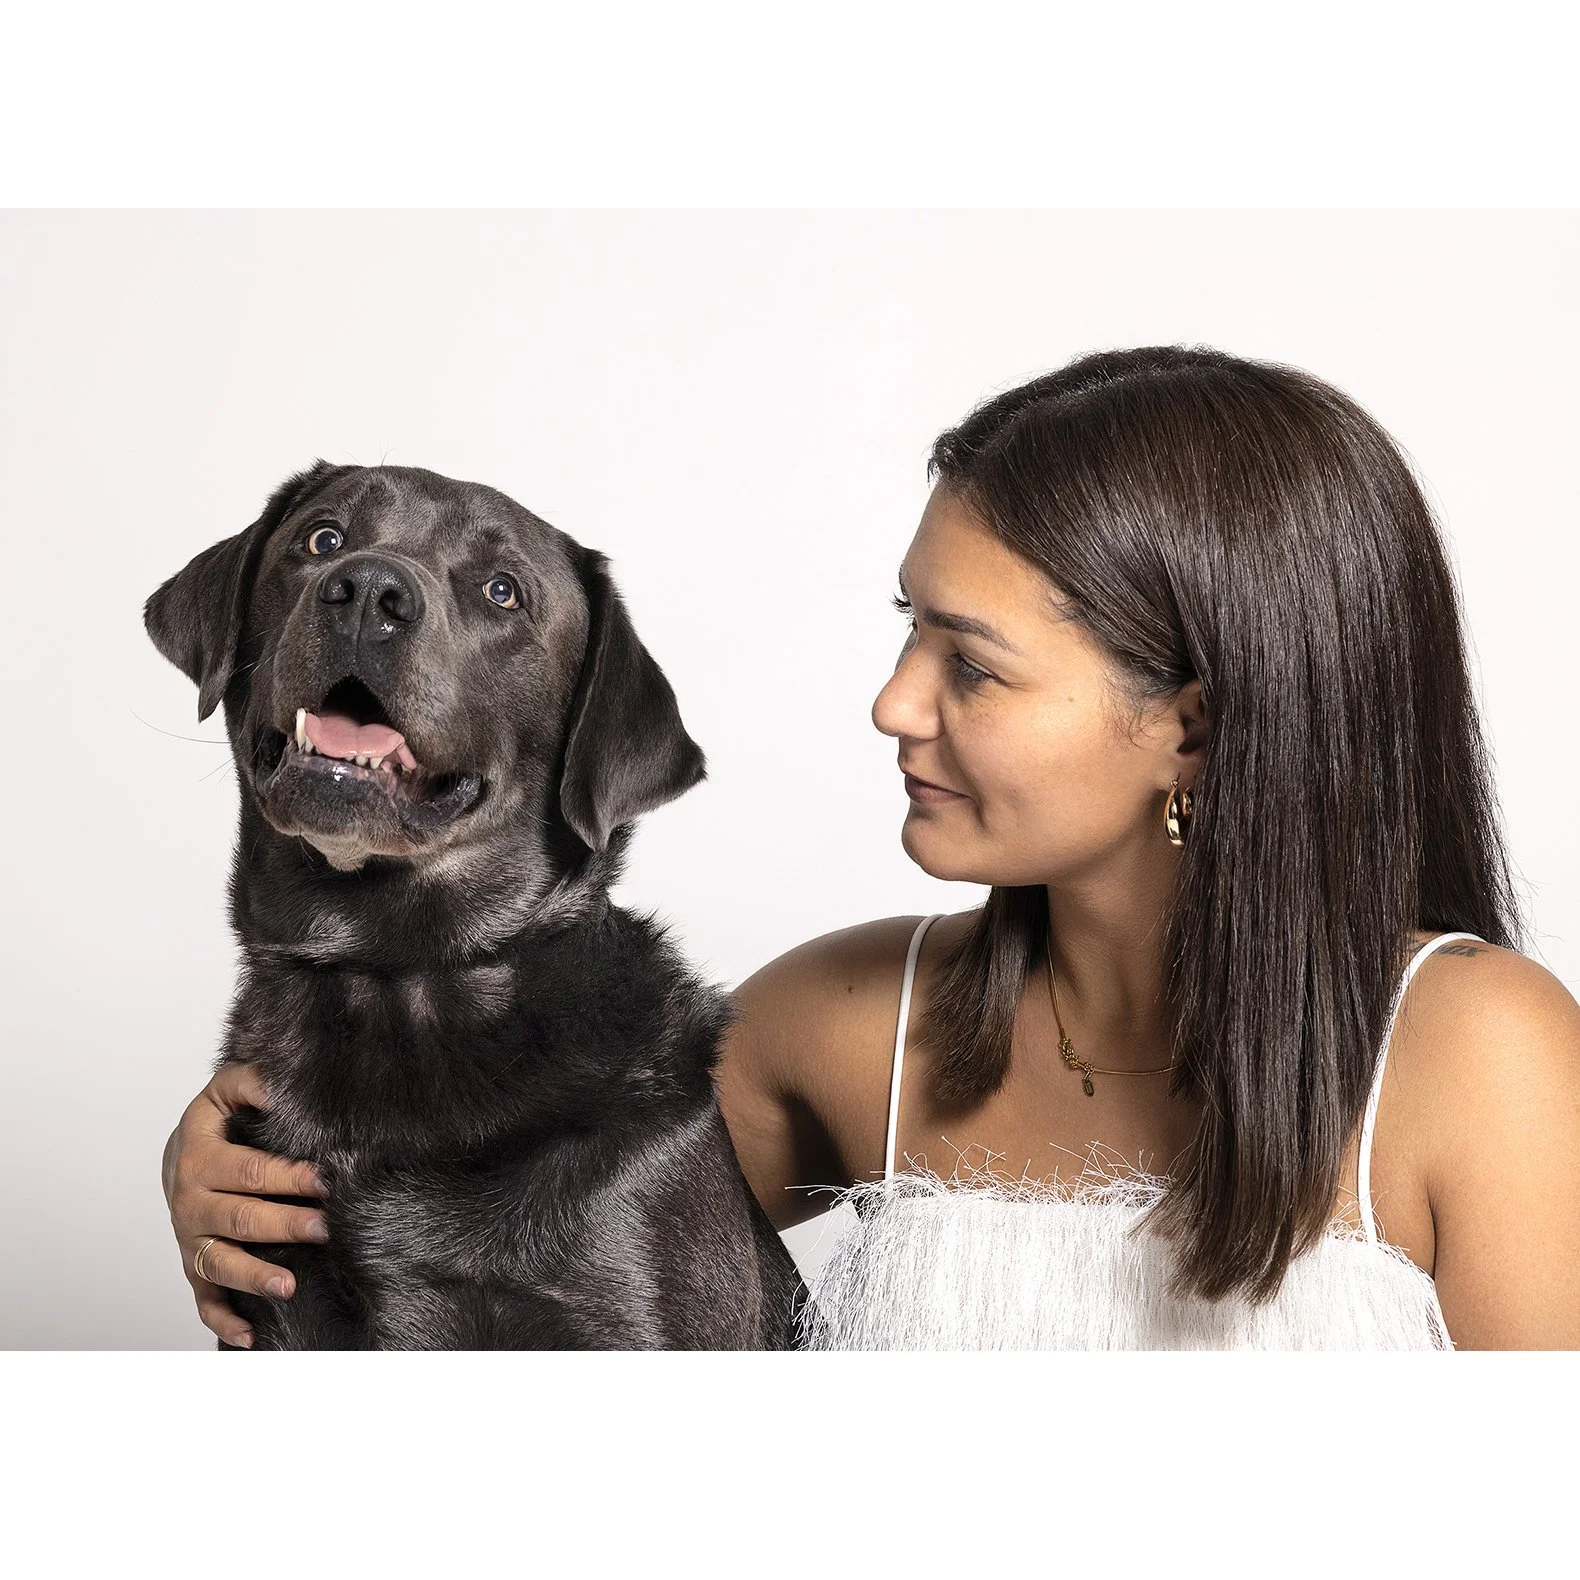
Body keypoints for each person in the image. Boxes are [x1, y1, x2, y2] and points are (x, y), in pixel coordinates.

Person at [161, 345, 1580, 1349]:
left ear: (1193, 733)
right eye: (907, 628)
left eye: (971, 665)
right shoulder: (838, 1027)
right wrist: (221, 1169)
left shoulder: (1473, 1057)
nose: (894, 703)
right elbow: (520, 1253)